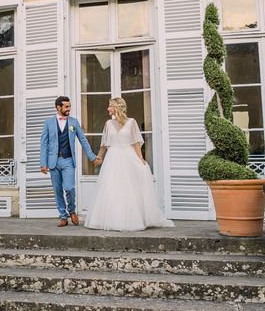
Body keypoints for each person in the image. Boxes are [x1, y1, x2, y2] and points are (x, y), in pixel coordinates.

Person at [84, 97, 174, 232]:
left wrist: (141, 159)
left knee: (130, 188)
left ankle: (133, 218)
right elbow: (104, 143)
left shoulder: (132, 122)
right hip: (112, 158)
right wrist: (99, 157)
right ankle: (112, 219)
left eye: (110, 106)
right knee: (111, 188)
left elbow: (136, 143)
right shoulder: (108, 124)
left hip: (128, 157)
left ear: (118, 107)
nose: (108, 108)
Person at [40, 96, 100, 227]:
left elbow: (83, 140)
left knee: (69, 187)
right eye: (66, 107)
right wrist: (43, 163)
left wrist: (92, 157)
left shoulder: (73, 122)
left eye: (69, 106)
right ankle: (63, 215)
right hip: (53, 162)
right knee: (57, 190)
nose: (69, 109)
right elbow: (43, 144)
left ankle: (72, 211)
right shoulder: (48, 123)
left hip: (68, 160)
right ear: (58, 107)